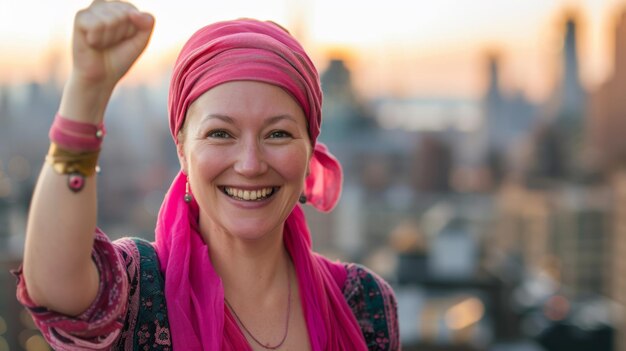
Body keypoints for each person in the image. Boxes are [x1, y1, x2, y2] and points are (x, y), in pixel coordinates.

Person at [15, 0, 399, 350]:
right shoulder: (138, 291)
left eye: (278, 134)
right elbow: (53, 287)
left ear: (310, 147)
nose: (250, 164)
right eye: (220, 134)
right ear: (182, 148)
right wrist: (87, 90)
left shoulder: (364, 304)